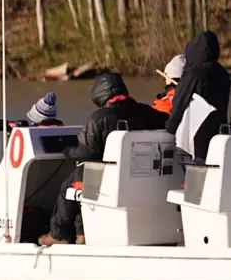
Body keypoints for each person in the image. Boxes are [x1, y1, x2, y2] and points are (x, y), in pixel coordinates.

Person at [42, 72, 167, 245]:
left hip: (109, 179)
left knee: (71, 182)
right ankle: (82, 234)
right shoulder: (149, 113)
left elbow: (87, 154)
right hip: (149, 181)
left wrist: (67, 151)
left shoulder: (98, 118)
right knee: (83, 177)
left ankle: (59, 234)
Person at [0, 92, 62, 222]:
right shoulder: (63, 132)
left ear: (34, 120)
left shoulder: (31, 133)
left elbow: (13, 161)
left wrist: (15, 136)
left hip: (28, 179)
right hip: (52, 186)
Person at [163, 31, 229, 160]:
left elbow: (180, 102)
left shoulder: (193, 74)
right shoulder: (223, 74)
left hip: (193, 138)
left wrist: (170, 128)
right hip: (218, 135)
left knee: (193, 176)